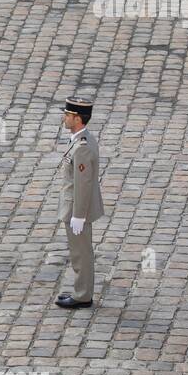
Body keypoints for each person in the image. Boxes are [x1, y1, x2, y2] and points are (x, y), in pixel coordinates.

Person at [56, 98, 104, 309]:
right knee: (80, 252)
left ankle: (83, 295)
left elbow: (83, 185)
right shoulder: (80, 140)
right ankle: (81, 290)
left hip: (78, 209)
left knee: (81, 253)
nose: (64, 118)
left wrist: (78, 215)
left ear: (78, 118)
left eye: (68, 115)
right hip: (76, 206)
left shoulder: (82, 147)